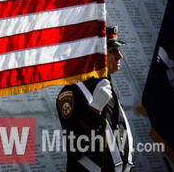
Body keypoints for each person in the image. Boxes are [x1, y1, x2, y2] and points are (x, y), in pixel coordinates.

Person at [56, 26, 134, 172]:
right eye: (112, 51)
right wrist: (94, 109)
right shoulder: (70, 94)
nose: (120, 56)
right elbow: (75, 147)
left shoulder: (109, 86)